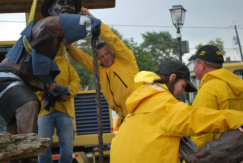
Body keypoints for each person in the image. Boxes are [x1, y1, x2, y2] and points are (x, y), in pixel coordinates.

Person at [110, 60, 243, 163]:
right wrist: (238, 119)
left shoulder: (139, 106)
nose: (182, 92)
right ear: (172, 78)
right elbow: (197, 118)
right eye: (182, 86)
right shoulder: (163, 105)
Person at [67, 8, 139, 122]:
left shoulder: (126, 59)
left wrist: (92, 19)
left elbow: (112, 39)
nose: (105, 58)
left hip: (138, 111)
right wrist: (69, 47)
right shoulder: (100, 69)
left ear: (112, 51)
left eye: (107, 54)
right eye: (101, 57)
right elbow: (84, 59)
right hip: (123, 116)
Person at [189, 45, 243, 149]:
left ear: (202, 65)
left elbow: (201, 131)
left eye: (194, 63)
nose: (194, 68)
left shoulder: (209, 90)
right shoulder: (238, 85)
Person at [37, 43, 80, 163]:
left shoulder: (66, 65)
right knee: (42, 148)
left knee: (67, 148)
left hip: (65, 110)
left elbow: (76, 81)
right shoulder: (39, 66)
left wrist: (68, 93)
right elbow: (32, 87)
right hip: (44, 111)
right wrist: (45, 88)